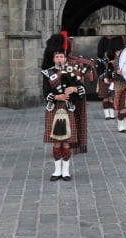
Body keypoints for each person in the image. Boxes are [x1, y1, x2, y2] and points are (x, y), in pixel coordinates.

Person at [42, 32, 87, 181]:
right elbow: (45, 92)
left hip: (68, 108)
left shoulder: (72, 73)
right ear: (53, 58)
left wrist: (74, 89)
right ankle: (56, 171)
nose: (59, 59)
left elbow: (82, 89)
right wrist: (56, 96)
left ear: (65, 57)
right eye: (57, 56)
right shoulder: (47, 73)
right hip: (54, 108)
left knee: (66, 141)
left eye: (61, 56)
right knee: (56, 140)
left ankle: (66, 171)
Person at [109, 36, 126, 132]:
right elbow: (109, 75)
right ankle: (120, 126)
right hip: (121, 86)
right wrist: (117, 73)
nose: (119, 52)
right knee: (123, 108)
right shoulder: (112, 62)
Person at [95, 36, 115, 120]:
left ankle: (112, 113)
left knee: (112, 97)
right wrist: (104, 78)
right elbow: (99, 71)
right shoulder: (99, 60)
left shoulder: (111, 59)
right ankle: (107, 114)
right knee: (105, 97)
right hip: (104, 80)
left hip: (111, 80)